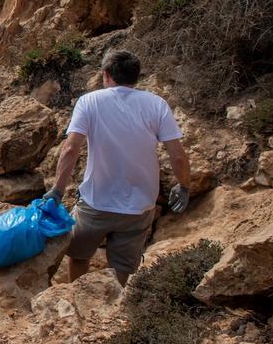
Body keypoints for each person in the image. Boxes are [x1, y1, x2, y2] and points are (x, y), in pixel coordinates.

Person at [46, 49, 191, 287]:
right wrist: (184, 186)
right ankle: (112, 311)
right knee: (122, 268)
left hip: (96, 202)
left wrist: (57, 191)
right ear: (136, 76)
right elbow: (177, 155)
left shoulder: (90, 101)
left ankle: (78, 301)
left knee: (79, 256)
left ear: (106, 75)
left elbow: (71, 149)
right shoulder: (156, 104)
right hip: (139, 207)